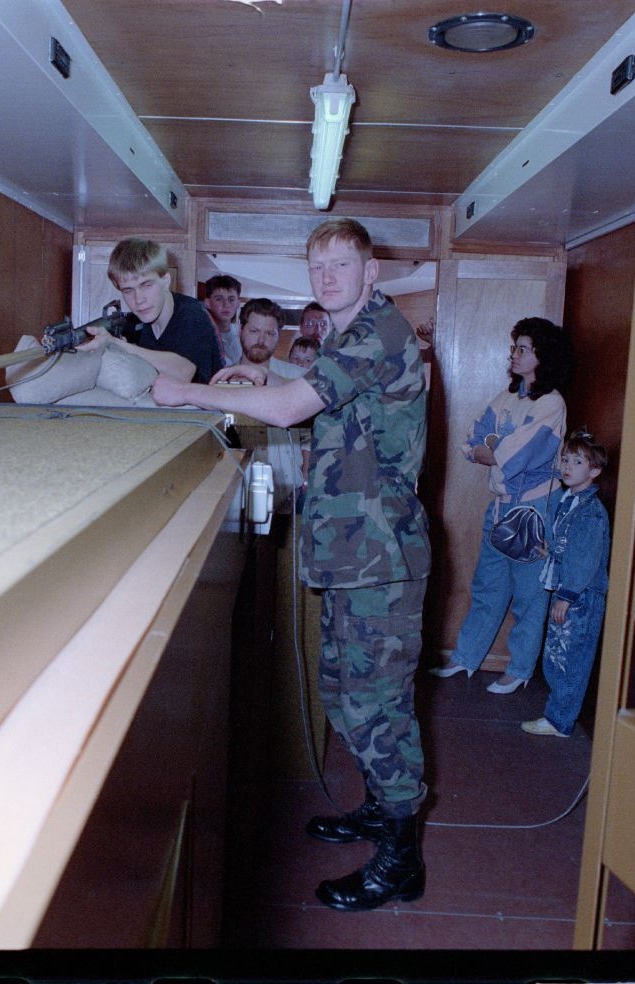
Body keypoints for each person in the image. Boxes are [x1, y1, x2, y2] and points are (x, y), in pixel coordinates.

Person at [152, 218, 430, 912]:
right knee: (345, 691)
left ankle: (402, 859)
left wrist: (192, 393)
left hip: (380, 560)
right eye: (319, 266)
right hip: (351, 554)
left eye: (344, 263)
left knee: (379, 708)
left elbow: (288, 407)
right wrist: (256, 374)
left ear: (371, 272)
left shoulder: (379, 331)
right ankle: (378, 807)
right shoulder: (347, 333)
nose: (330, 276)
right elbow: (322, 403)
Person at [428, 318, 572, 694]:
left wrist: (494, 448)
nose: (514, 355)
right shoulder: (507, 398)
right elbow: (474, 439)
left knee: (527, 594)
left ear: (543, 356)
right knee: (487, 586)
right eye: (514, 348)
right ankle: (467, 657)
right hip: (500, 507)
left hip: (532, 509)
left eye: (522, 349)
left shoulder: (551, 404)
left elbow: (514, 454)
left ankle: (521, 668)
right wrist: (493, 447)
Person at [522, 429, 611, 738]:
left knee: (570, 661)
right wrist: (552, 552)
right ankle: (556, 715)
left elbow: (585, 560)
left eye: (577, 461)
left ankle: (560, 721)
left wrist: (567, 596)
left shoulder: (590, 512)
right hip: (568, 592)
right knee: (556, 658)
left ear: (594, 471)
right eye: (565, 459)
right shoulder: (568, 501)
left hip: (580, 598)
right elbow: (570, 548)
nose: (567, 466)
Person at [79, 239, 222, 384]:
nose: (138, 299)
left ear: (165, 280)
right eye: (128, 291)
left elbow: (184, 371)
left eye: (146, 285)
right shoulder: (135, 323)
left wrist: (117, 345)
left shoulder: (192, 316)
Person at [235, 297, 306, 381]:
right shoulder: (222, 378)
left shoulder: (300, 378)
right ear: (240, 330)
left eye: (269, 334)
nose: (261, 340)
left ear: (278, 335)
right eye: (254, 331)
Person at [203, 274, 244, 368]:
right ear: (208, 303)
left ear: (238, 303)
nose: (226, 305)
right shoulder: (202, 335)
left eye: (231, 299)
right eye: (219, 299)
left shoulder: (242, 334)